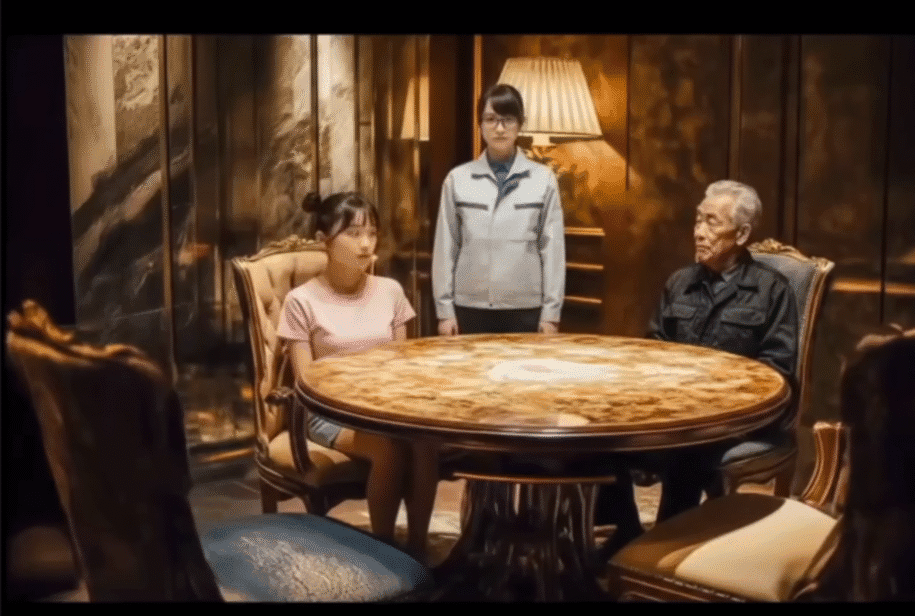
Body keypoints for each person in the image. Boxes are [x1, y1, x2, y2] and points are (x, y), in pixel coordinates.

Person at [594, 179, 799, 560]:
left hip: (732, 421)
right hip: (673, 411)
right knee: (601, 438)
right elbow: (653, 350)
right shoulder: (680, 283)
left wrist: (717, 398)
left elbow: (778, 372)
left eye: (711, 223)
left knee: (685, 453)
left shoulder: (773, 291)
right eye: (697, 221)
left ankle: (669, 553)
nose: (699, 232)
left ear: (742, 234)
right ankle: (625, 530)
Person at [277, 191, 438, 562]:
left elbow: (402, 363)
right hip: (328, 413)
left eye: (372, 233)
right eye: (352, 234)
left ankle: (417, 548)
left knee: (425, 442)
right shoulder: (302, 300)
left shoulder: (390, 291)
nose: (366, 244)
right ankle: (384, 553)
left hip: (386, 407)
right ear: (323, 242)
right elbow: (306, 382)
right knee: (388, 446)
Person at [432, 83, 565, 336]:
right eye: (491, 119)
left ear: (520, 124)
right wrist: (445, 311)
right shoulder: (457, 179)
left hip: (526, 309)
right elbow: (445, 248)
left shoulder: (543, 179)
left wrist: (551, 314)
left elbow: (553, 250)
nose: (500, 128)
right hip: (469, 308)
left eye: (508, 119)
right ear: (479, 124)